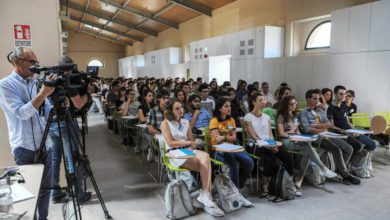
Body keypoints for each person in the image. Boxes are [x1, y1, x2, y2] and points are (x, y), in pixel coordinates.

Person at [0, 47, 55, 220]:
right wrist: (43, 94)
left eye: (36, 62)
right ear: (17, 62)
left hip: (45, 144)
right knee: (27, 194)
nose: (36, 66)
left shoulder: (36, 82)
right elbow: (21, 113)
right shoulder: (5, 85)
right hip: (24, 147)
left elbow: (46, 111)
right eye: (32, 62)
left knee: (45, 190)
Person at [161, 99, 224, 217]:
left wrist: (190, 145)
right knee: (204, 165)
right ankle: (206, 196)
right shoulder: (165, 123)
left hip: (187, 150)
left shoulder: (185, 122)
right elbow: (170, 143)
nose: (181, 110)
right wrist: (188, 143)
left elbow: (192, 141)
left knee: (205, 156)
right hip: (174, 153)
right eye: (177, 108)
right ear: (170, 111)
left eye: (181, 107)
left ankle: (205, 195)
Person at [49, 55, 93, 204]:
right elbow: (79, 104)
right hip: (66, 123)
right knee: (73, 158)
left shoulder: (50, 80)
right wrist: (88, 93)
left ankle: (54, 193)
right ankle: (78, 193)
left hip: (51, 125)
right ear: (68, 69)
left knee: (55, 159)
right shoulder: (66, 83)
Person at [300, 89, 360, 185]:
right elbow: (307, 129)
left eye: (318, 99)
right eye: (314, 99)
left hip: (326, 134)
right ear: (308, 99)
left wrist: (316, 126)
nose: (317, 101)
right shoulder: (304, 112)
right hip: (316, 138)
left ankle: (338, 171)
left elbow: (328, 123)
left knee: (349, 149)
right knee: (337, 149)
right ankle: (345, 174)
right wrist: (321, 129)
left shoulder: (320, 110)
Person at [244, 93, 300, 196]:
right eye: (260, 100)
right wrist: (269, 147)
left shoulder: (266, 117)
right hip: (255, 145)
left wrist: (273, 144)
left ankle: (290, 183)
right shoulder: (248, 117)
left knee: (288, 158)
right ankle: (264, 183)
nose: (263, 102)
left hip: (268, 143)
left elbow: (270, 134)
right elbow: (254, 137)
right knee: (272, 160)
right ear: (253, 102)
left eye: (264, 100)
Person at [276, 95, 337, 188]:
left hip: (296, 139)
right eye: (291, 104)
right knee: (308, 147)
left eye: (295, 103)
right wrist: (293, 137)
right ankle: (322, 168)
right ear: (286, 105)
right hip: (286, 140)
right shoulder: (281, 116)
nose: (294, 106)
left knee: (307, 151)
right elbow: (281, 133)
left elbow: (297, 131)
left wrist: (299, 137)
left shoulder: (294, 115)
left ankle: (300, 178)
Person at [209, 97, 254, 207]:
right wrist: (225, 138)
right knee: (233, 164)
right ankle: (237, 194)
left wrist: (223, 137)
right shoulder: (214, 121)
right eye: (226, 106)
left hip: (232, 148)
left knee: (249, 162)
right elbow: (216, 140)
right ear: (220, 109)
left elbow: (233, 138)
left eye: (229, 106)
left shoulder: (231, 120)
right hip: (218, 150)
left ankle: (236, 188)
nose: (229, 108)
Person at [327, 85, 377, 152]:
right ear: (335, 94)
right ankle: (356, 156)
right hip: (341, 133)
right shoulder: (330, 107)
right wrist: (344, 131)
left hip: (350, 131)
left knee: (373, 145)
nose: (343, 96)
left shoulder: (344, 106)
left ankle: (357, 156)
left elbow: (348, 122)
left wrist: (355, 130)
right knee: (359, 146)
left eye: (344, 94)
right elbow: (331, 126)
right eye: (341, 94)